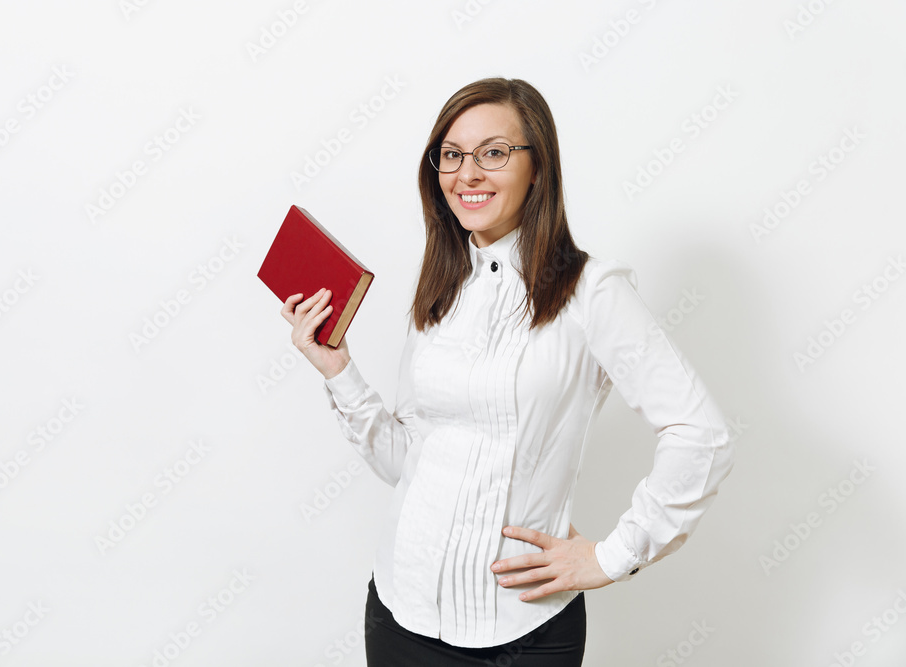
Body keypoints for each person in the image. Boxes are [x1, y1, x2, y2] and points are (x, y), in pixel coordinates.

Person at [280, 77, 735, 666]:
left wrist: (613, 556)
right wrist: (338, 370)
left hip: (525, 633)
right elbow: (409, 464)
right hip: (398, 611)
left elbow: (702, 435)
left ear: (537, 168)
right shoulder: (441, 288)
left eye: (493, 152)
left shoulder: (593, 292)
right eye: (451, 155)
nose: (467, 174)